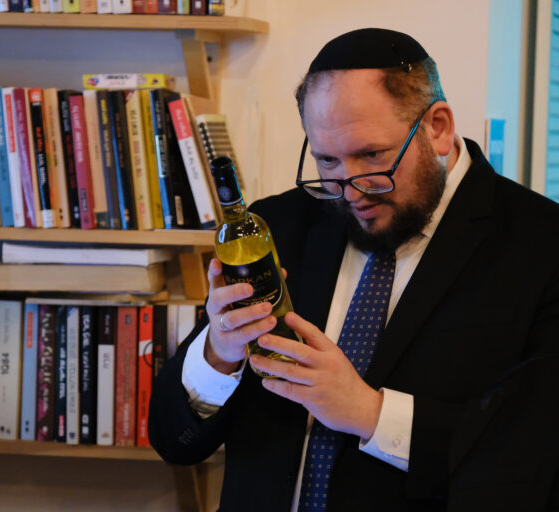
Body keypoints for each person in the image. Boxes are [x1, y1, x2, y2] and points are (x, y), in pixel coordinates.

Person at [148, 28, 559, 511]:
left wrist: (370, 413)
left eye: (372, 156)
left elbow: (536, 459)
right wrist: (218, 355)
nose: (350, 190)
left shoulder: (542, 245)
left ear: (438, 127)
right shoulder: (277, 225)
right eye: (327, 161)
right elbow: (174, 439)